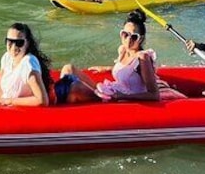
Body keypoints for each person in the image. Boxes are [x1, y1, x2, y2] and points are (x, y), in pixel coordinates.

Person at [54, 9, 185, 104]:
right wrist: (109, 68)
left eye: (134, 37)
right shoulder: (122, 50)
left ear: (141, 39)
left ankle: (58, 107)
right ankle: (58, 101)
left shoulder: (142, 58)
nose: (128, 40)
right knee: (68, 68)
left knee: (74, 88)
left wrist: (122, 97)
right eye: (125, 34)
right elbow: (128, 71)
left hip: (120, 98)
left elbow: (154, 95)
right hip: (112, 90)